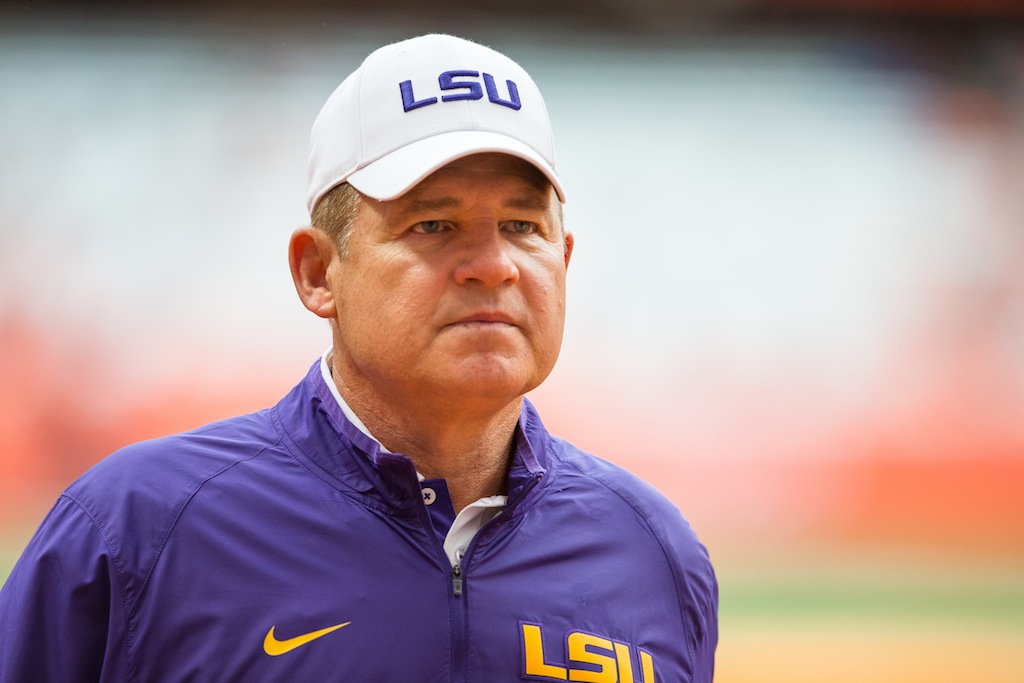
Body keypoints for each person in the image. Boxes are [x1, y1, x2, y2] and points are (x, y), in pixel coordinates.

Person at [0, 33, 717, 681]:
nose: (494, 265)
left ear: (562, 259)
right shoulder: (135, 530)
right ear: (318, 272)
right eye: (434, 224)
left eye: (522, 225)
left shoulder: (656, 552)